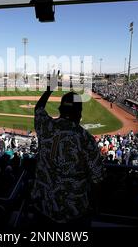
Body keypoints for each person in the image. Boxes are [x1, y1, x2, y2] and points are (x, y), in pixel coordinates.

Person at [31, 71, 104, 227]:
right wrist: (95, 205)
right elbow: (98, 179)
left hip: (43, 204)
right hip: (73, 211)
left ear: (60, 109)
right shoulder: (85, 138)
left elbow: (38, 109)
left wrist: (50, 88)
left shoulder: (45, 126)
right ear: (79, 112)